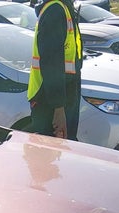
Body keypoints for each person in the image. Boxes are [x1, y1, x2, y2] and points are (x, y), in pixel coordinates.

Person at [27, 0, 83, 140]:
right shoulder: (55, 11)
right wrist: (58, 108)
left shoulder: (63, 8)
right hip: (50, 105)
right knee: (52, 150)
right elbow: (51, 63)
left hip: (60, 100)